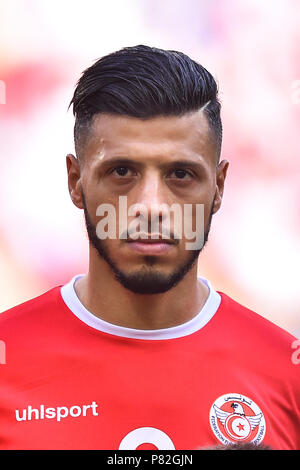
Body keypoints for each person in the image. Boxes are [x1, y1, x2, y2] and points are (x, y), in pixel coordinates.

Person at [0, 45, 299, 451]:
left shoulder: (287, 372)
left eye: (181, 173)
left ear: (219, 187)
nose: (151, 206)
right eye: (122, 171)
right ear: (76, 181)